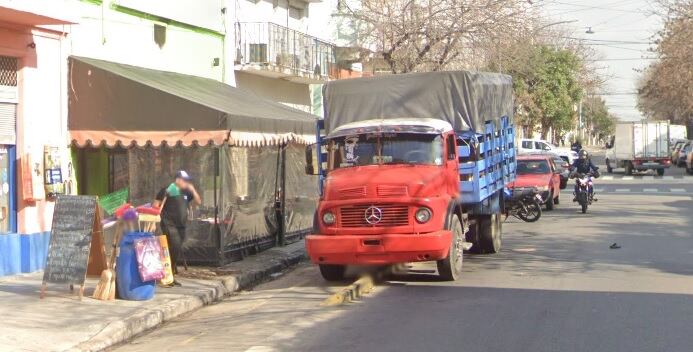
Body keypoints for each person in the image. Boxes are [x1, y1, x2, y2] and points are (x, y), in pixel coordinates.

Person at [153, 170, 201, 287]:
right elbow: (155, 205)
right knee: (173, 247)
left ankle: (171, 275)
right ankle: (166, 275)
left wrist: (192, 189)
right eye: (184, 180)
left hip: (181, 226)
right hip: (169, 224)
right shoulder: (167, 190)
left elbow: (198, 201)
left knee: (176, 249)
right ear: (178, 180)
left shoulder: (186, 192)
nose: (186, 183)